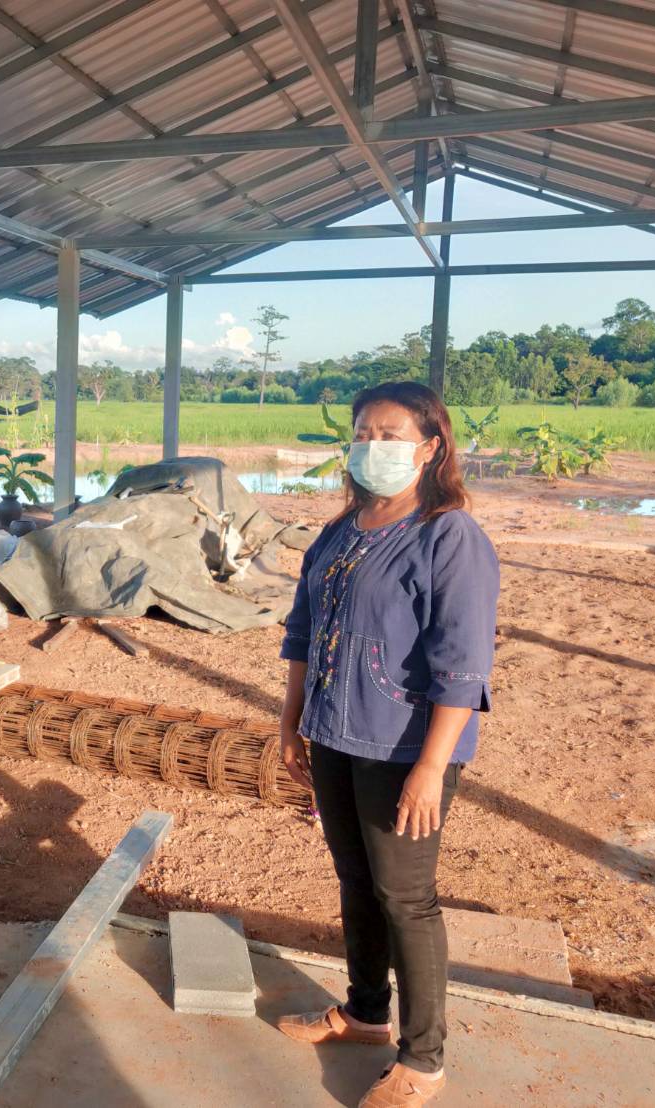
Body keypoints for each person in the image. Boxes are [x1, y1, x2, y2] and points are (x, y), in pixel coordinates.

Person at [273, 381, 499, 1108]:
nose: (373, 447)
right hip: (334, 733)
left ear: (430, 446)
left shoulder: (447, 535)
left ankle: (423, 1059)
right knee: (354, 880)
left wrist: (431, 768)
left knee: (405, 897)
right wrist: (291, 718)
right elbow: (302, 630)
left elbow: (462, 666)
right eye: (363, 433)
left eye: (390, 434)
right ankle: (366, 1014)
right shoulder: (341, 529)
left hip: (403, 747)